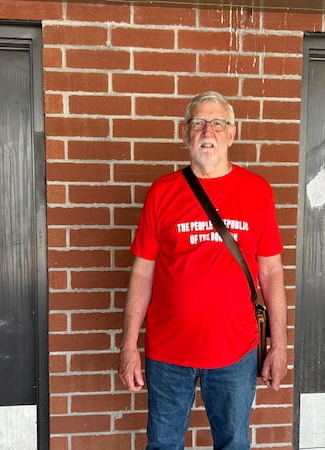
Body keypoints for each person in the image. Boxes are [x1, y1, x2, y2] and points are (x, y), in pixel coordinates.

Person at [118, 91, 288, 450]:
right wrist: (129, 346)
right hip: (168, 354)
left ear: (232, 133)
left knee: (233, 444)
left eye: (217, 123)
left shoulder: (257, 192)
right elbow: (142, 273)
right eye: (197, 123)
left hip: (236, 351)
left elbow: (272, 273)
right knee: (163, 445)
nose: (206, 130)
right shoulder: (162, 193)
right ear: (185, 134)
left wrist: (279, 344)